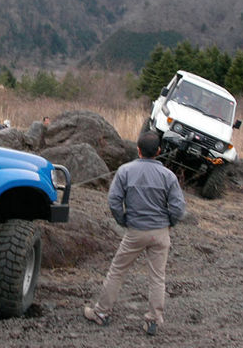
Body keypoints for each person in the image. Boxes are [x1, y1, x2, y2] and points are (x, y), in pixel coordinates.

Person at [83, 131, 186, 336]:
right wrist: (169, 224)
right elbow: (178, 208)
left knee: (117, 271)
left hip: (135, 230)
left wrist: (124, 220)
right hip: (160, 232)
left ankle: (101, 313)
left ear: (138, 150)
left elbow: (113, 201)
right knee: (158, 277)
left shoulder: (125, 171)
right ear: (158, 151)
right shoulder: (168, 176)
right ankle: (153, 319)